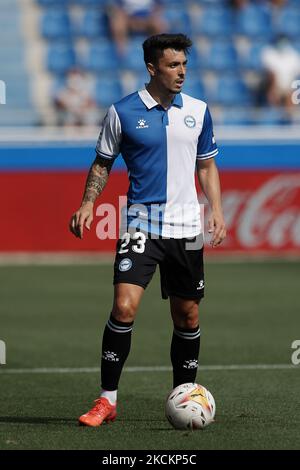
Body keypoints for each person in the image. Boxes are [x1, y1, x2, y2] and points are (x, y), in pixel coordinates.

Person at [69, 33, 226, 427]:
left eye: (184, 65)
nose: (181, 72)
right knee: (124, 307)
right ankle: (107, 400)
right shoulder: (122, 112)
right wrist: (89, 201)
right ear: (152, 68)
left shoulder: (199, 111)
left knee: (187, 316)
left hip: (188, 228)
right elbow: (102, 162)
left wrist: (217, 211)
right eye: (173, 65)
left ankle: (185, 397)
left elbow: (206, 166)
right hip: (141, 223)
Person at [260, 35, 300, 111]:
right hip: (272, 84)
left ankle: (290, 116)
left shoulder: (292, 54)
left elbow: (297, 72)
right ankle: (275, 112)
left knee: (293, 88)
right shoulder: (269, 52)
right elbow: (270, 72)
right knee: (273, 81)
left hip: (289, 85)